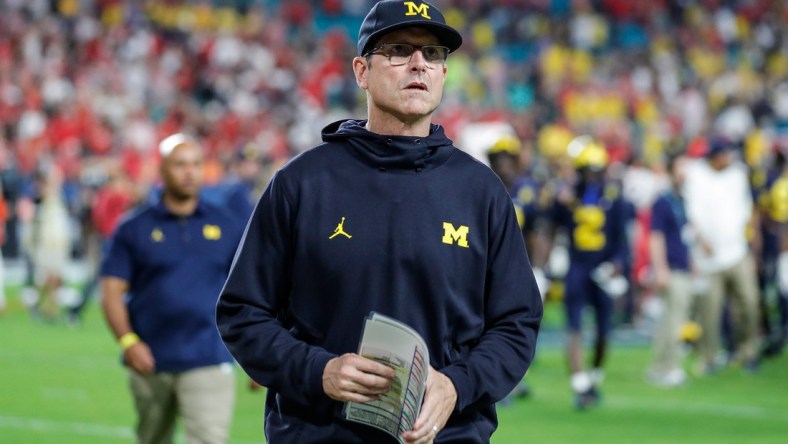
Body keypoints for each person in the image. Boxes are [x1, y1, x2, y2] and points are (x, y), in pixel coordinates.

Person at [215, 1, 543, 443]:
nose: (418, 64)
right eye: (398, 50)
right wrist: (319, 371)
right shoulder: (302, 183)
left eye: (433, 55)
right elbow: (242, 312)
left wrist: (458, 385)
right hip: (320, 434)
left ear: (444, 74)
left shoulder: (480, 191)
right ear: (361, 71)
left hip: (446, 436)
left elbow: (516, 322)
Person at [99, 133, 245, 444]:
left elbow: (251, 290)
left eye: (195, 164)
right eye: (180, 165)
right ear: (162, 170)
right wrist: (127, 342)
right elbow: (111, 289)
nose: (189, 172)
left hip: (209, 355)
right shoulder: (133, 228)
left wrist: (258, 354)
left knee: (209, 439)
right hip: (150, 358)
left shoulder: (228, 225)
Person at [540, 135, 630, 409]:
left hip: (602, 268)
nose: (592, 176)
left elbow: (621, 240)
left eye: (595, 170)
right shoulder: (566, 197)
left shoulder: (612, 198)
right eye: (587, 170)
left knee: (604, 331)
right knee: (574, 326)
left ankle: (593, 376)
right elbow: (550, 228)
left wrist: (616, 264)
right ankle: (580, 383)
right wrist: (545, 263)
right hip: (577, 267)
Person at [683, 136, 761, 373]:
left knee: (749, 302)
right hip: (707, 258)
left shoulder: (737, 175)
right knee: (710, 312)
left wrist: (752, 243)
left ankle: (746, 351)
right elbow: (692, 212)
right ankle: (709, 357)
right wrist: (701, 239)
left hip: (737, 251)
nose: (728, 158)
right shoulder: (696, 175)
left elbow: (747, 210)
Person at [646, 153, 693, 387]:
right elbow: (655, 236)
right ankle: (672, 367)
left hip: (681, 265)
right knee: (675, 319)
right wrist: (660, 268)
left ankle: (660, 366)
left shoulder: (681, 199)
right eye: (680, 167)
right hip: (671, 267)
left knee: (668, 320)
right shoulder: (663, 201)